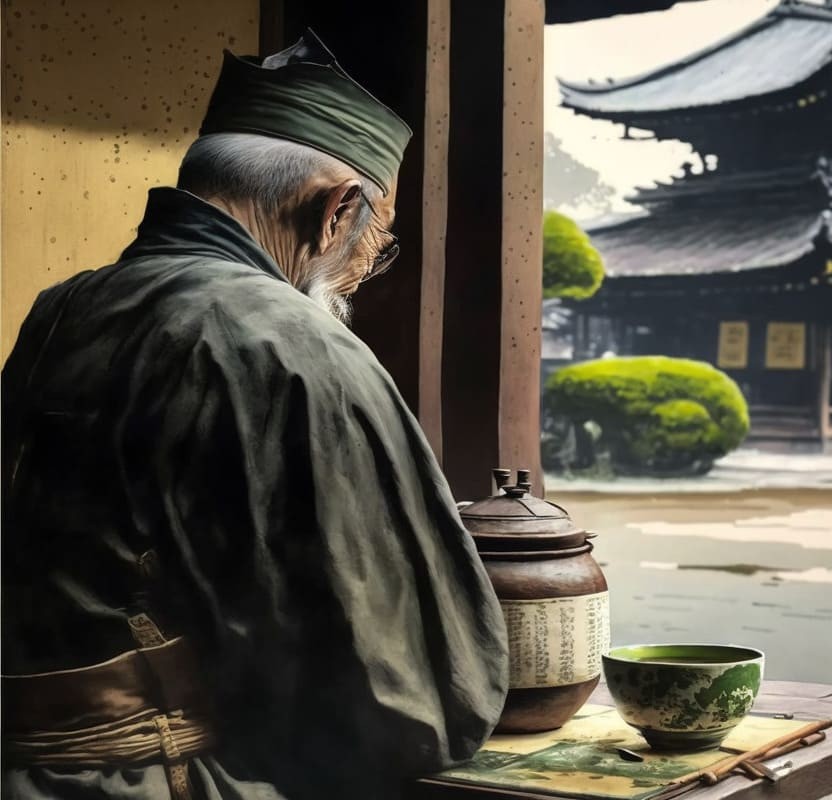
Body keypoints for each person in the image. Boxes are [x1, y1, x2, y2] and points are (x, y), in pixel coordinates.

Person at [1, 33, 508, 800]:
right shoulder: (295, 344)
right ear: (338, 211)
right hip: (161, 775)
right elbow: (411, 695)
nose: (366, 267)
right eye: (379, 239)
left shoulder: (62, 308)